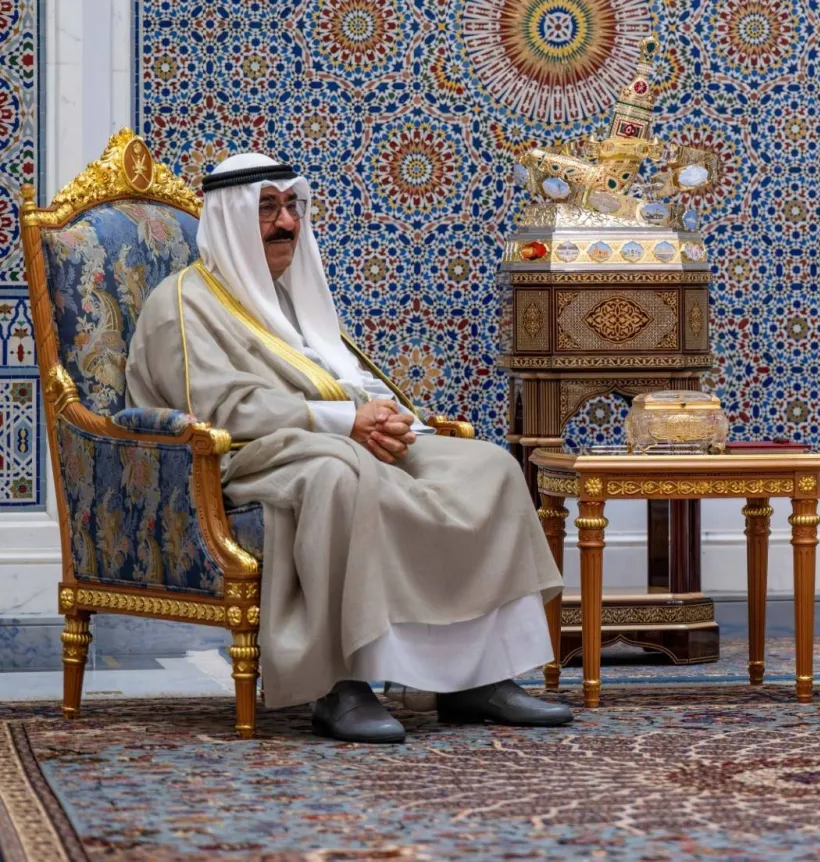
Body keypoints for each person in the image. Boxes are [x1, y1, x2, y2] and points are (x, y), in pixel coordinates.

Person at [126, 152, 572, 743]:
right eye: (267, 209)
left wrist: (389, 418)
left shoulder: (287, 296)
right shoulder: (180, 304)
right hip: (240, 458)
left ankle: (476, 677)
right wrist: (344, 423)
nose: (287, 223)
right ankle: (339, 683)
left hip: (337, 435)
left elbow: (343, 376)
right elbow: (220, 410)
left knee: (487, 467)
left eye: (292, 206)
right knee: (338, 475)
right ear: (231, 219)